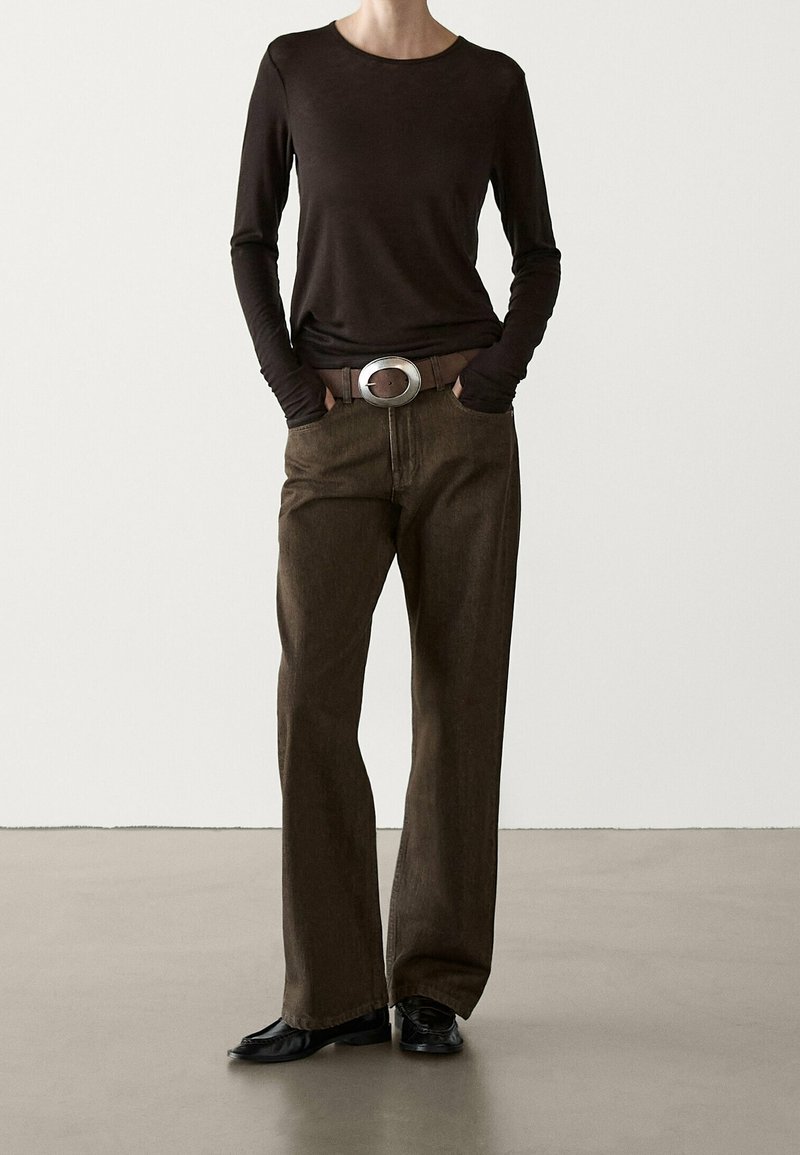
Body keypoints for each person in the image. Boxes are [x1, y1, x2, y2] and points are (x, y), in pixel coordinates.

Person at [226, 3, 561, 1064]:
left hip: (464, 433)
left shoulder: (492, 82)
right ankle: (330, 996)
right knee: (313, 703)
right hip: (330, 429)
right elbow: (249, 240)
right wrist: (292, 392)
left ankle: (431, 986)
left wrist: (493, 384)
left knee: (459, 702)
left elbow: (539, 257)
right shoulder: (292, 68)